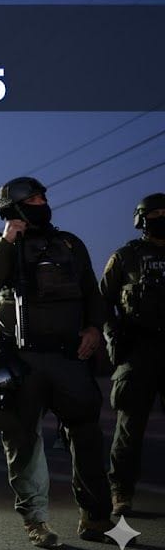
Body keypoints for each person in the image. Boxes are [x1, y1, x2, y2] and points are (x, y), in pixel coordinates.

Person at [0, 176, 113, 548]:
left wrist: (94, 329)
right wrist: (7, 241)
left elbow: (91, 293)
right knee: (22, 440)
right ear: (12, 207)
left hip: (69, 357)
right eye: (32, 198)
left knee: (86, 434)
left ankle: (96, 517)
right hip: (20, 362)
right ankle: (36, 521)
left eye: (42, 196)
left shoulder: (69, 244)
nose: (41, 202)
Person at [101, 192, 165, 516]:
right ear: (142, 219)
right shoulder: (126, 256)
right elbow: (102, 302)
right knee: (129, 427)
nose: (162, 217)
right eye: (156, 213)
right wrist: (113, 334)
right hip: (138, 350)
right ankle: (121, 493)